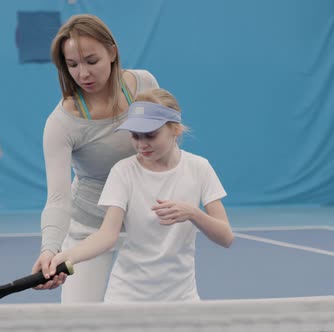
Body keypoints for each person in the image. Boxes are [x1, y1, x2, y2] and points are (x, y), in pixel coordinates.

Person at [49, 88, 234, 302]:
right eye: (135, 136)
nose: (141, 144)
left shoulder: (200, 168)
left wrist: (193, 213)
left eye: (151, 135)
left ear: (175, 129)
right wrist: (65, 256)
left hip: (182, 298)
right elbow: (107, 236)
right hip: (126, 298)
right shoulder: (123, 171)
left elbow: (226, 237)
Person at [32, 13, 160, 303]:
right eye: (72, 64)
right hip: (90, 228)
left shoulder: (145, 84)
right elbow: (58, 199)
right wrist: (49, 249)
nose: (83, 74)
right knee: (78, 319)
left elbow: (166, 144)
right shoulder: (61, 123)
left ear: (112, 52)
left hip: (145, 224)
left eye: (92, 61)